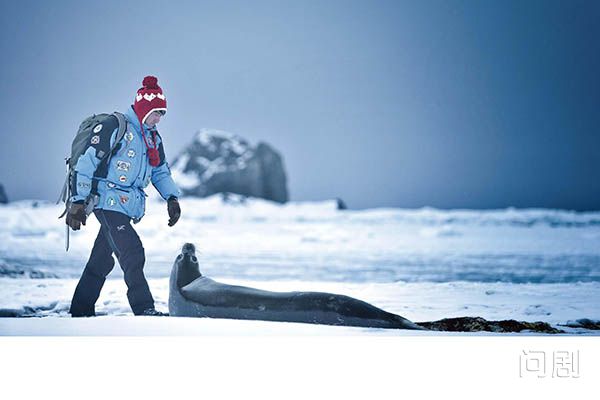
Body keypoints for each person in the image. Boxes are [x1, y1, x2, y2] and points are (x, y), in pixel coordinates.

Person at [67, 76, 181, 317]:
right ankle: (144, 308)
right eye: (156, 112)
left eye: (162, 113)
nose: (160, 118)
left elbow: (159, 170)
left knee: (101, 260)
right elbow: (87, 163)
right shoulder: (115, 126)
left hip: (125, 206)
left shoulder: (152, 138)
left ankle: (80, 310)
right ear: (144, 108)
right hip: (106, 202)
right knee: (132, 252)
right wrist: (77, 201)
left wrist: (172, 198)